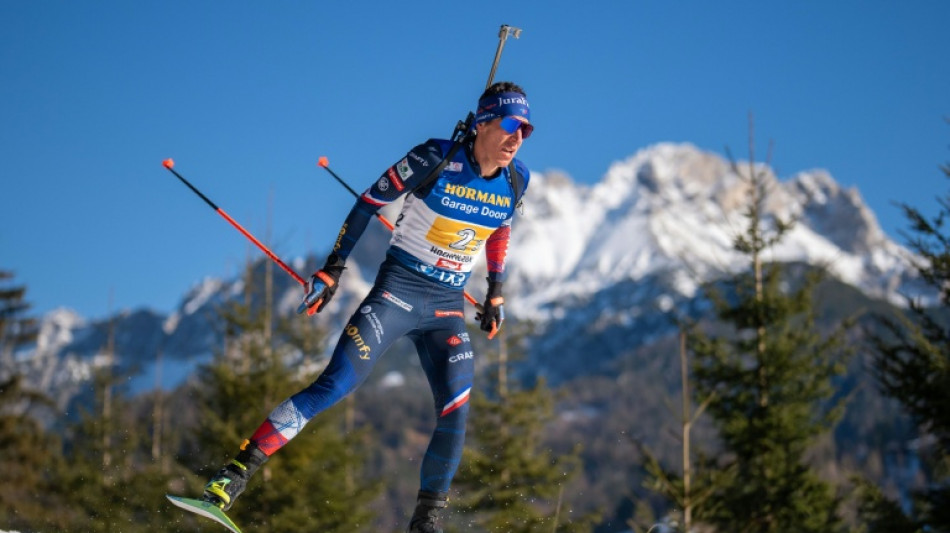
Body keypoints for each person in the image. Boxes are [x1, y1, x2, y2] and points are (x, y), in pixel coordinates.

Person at [201, 81, 533, 533]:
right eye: (510, 126)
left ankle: (425, 523)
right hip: (398, 292)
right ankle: (230, 479)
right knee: (336, 385)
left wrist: (495, 289)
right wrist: (334, 268)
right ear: (482, 123)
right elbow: (367, 204)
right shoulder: (433, 158)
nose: (517, 138)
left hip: (447, 308)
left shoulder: (518, 180)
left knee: (457, 409)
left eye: (525, 130)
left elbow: (499, 228)